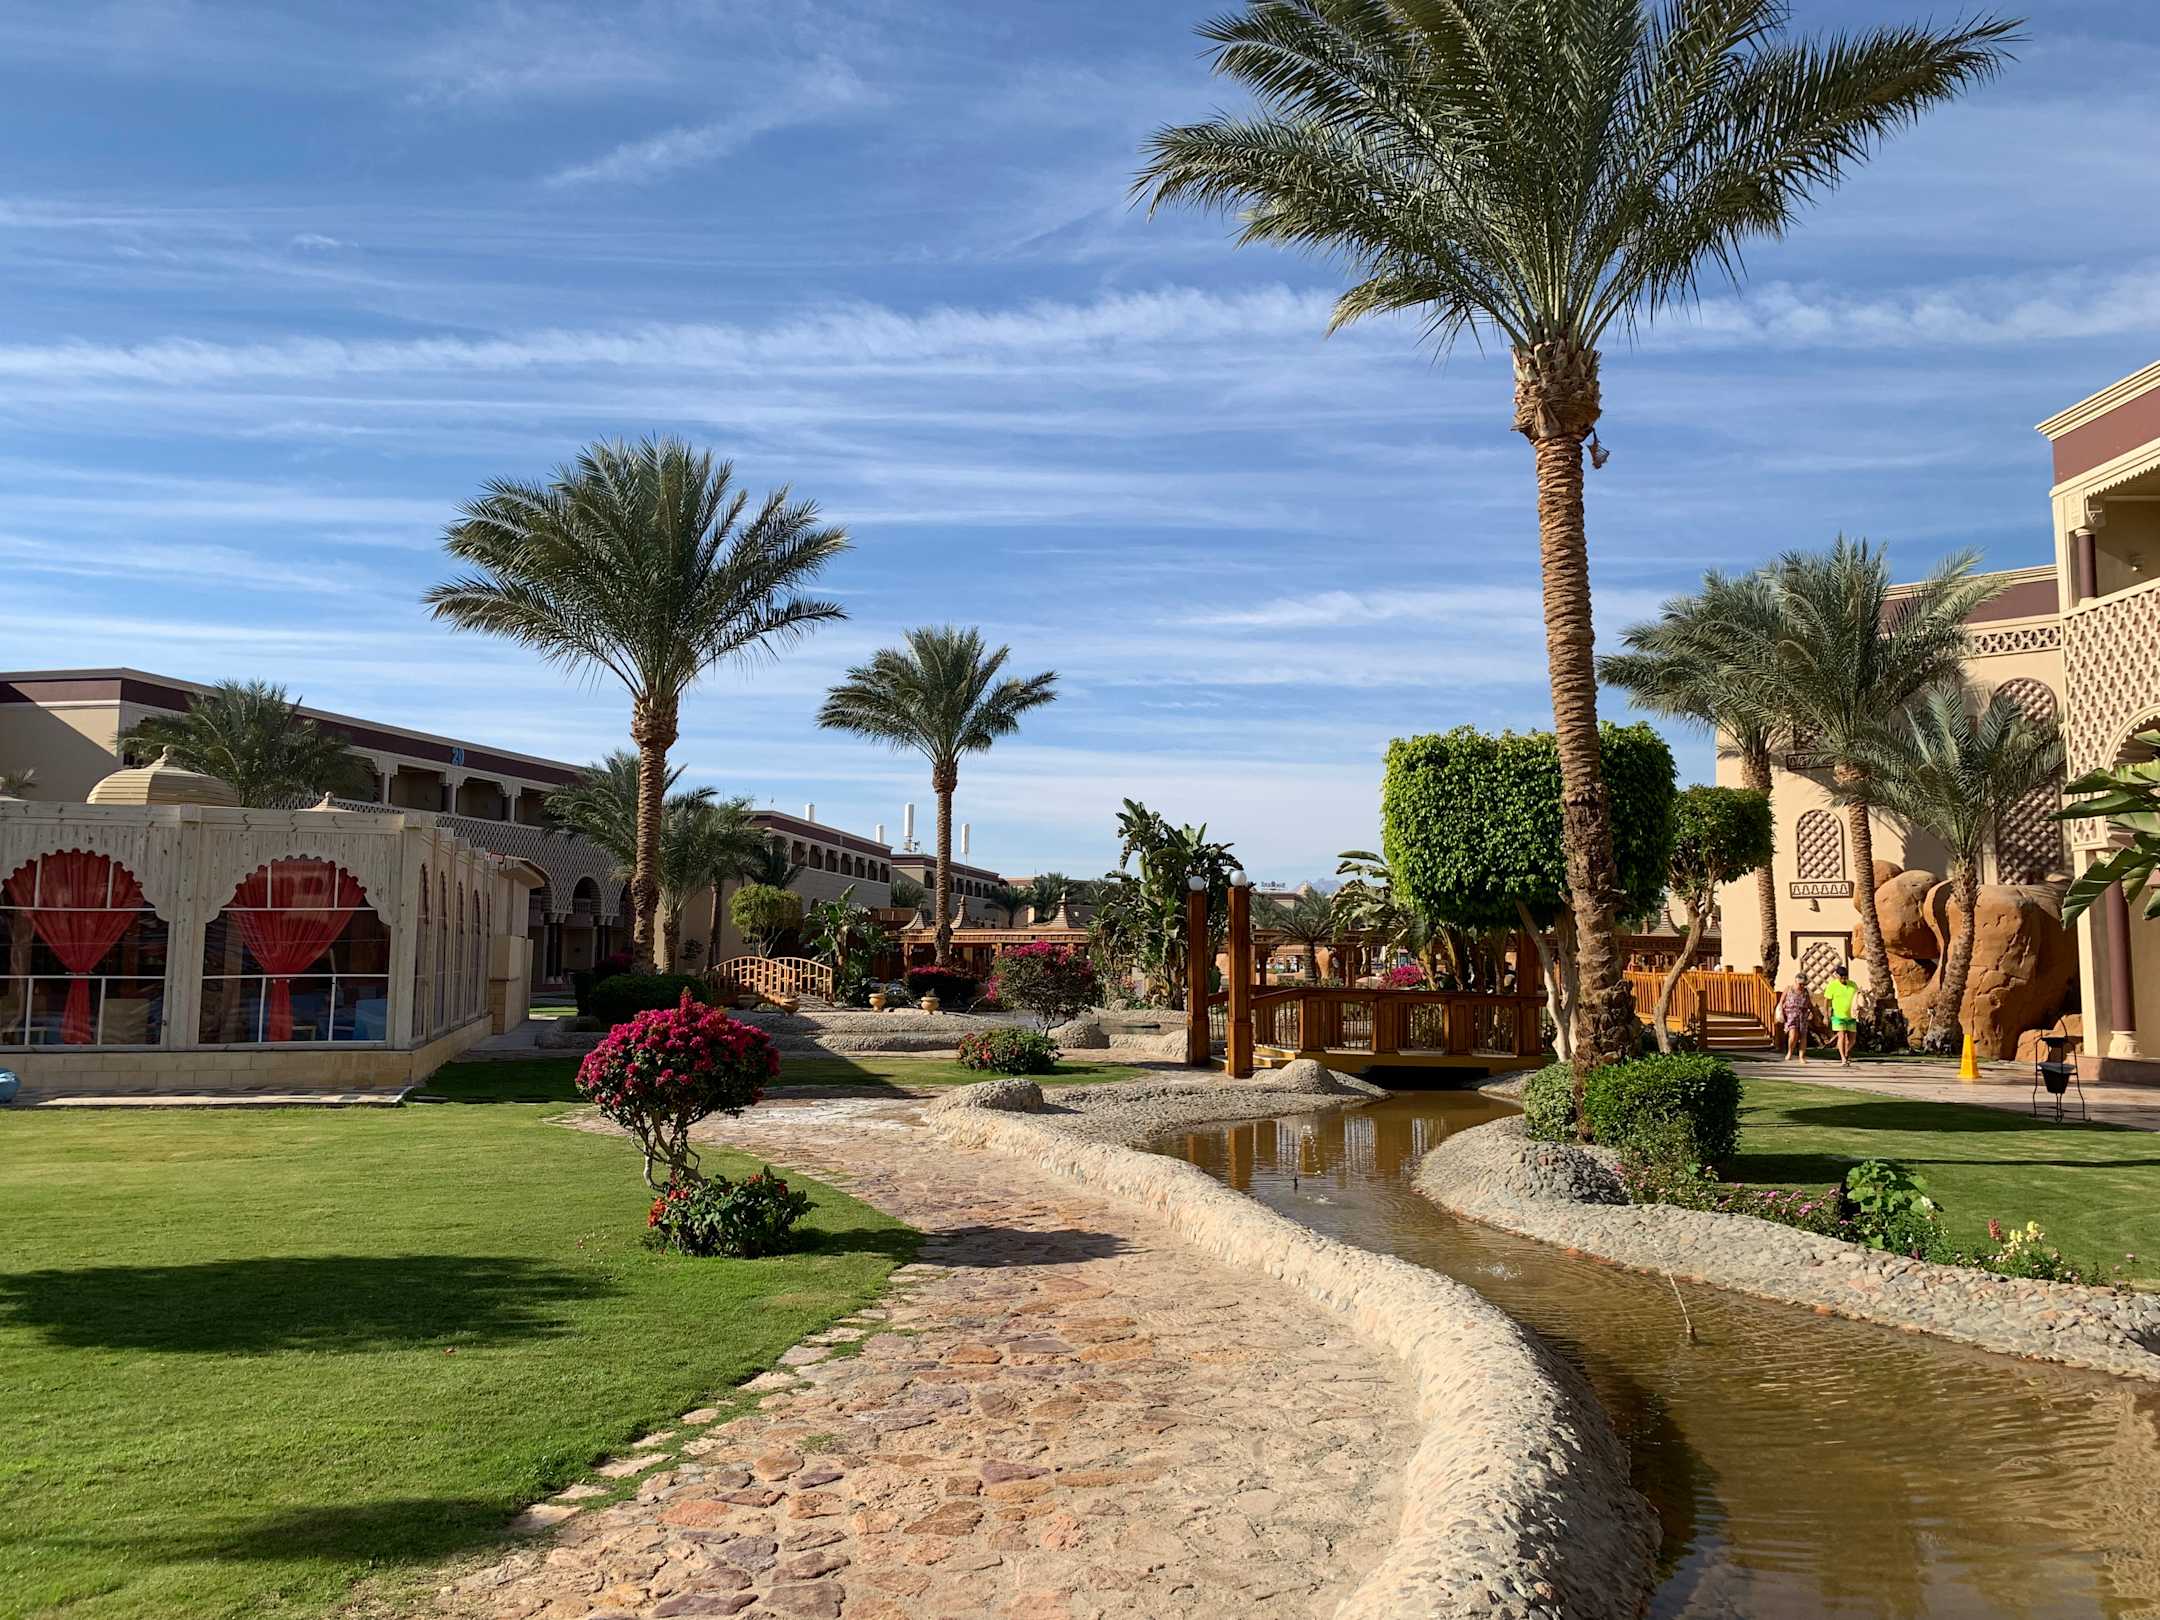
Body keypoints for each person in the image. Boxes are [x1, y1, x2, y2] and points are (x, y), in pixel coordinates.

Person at [1823, 963, 1862, 1068]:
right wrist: (1826, 1016)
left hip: (1851, 1016)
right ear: (1837, 975)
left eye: (1845, 977)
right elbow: (1826, 1001)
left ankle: (1846, 1053)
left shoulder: (1853, 984)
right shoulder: (1832, 986)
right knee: (1841, 1037)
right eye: (1841, 977)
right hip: (1838, 1016)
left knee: (1852, 1040)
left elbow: (1858, 998)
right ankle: (1843, 1058)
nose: (1844, 979)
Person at [1779, 974, 1813, 1063]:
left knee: (1803, 1036)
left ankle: (1801, 1057)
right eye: (1800, 984)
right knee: (1793, 1035)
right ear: (1796, 981)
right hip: (1791, 1015)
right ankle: (1790, 1052)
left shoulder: (1806, 991)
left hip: (1803, 1015)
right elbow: (1781, 1001)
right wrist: (1781, 1013)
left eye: (1804, 984)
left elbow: (1809, 1003)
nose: (1802, 986)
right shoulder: (1788, 989)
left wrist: (1813, 1013)